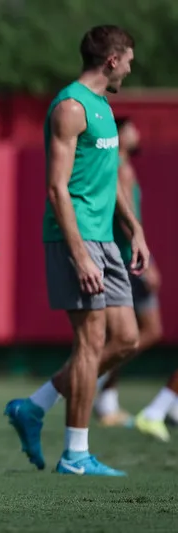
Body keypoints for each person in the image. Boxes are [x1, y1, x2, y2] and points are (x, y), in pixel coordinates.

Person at [4, 25, 149, 477]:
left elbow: (109, 181)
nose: (131, 65)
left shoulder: (104, 107)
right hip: (78, 238)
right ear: (111, 60)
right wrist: (80, 254)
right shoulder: (70, 107)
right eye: (128, 58)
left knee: (126, 339)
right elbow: (56, 188)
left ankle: (34, 405)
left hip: (105, 238)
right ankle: (76, 456)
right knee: (90, 345)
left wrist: (135, 228)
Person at [92, 117, 164, 429]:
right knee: (145, 332)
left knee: (121, 336)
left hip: (125, 257)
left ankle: (107, 400)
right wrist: (147, 259)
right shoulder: (119, 167)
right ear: (119, 135)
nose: (137, 133)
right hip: (127, 259)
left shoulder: (119, 166)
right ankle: (86, 378)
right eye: (131, 128)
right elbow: (123, 216)